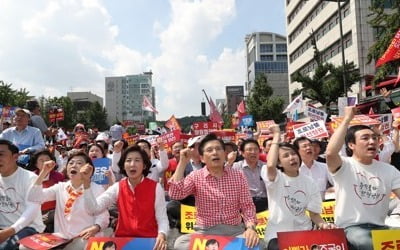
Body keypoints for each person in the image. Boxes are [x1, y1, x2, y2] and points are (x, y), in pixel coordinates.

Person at [325, 106, 400, 250]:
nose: (372, 142)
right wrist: (347, 119)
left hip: (380, 228)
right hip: (351, 229)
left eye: (374, 138)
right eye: (365, 138)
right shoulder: (344, 165)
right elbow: (330, 152)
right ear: (351, 145)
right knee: (369, 243)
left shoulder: (389, 170)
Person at [169, 133, 259, 250]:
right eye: (209, 150)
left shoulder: (238, 175)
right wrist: (182, 163)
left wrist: (251, 229)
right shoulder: (195, 176)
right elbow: (175, 194)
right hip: (205, 233)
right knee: (180, 244)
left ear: (224, 154)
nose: (215, 153)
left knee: (256, 244)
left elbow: (247, 206)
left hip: (234, 232)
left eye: (218, 149)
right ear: (202, 158)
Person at [80, 145, 169, 250]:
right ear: (123, 165)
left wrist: (162, 234)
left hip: (149, 241)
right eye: (128, 160)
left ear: (144, 165)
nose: (132, 164)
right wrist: (86, 182)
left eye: (137, 160)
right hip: (122, 241)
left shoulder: (155, 187)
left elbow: (162, 217)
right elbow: (93, 208)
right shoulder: (117, 187)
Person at [264, 125, 336, 250]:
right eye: (286, 156)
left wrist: (324, 225)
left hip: (304, 233)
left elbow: (314, 214)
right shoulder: (275, 178)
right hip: (277, 235)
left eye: (293, 154)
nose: (292, 157)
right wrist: (276, 135)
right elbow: (270, 165)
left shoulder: (309, 182)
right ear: (279, 162)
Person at [27, 151, 109, 250]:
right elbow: (33, 197)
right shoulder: (60, 187)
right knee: (25, 247)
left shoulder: (97, 188)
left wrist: (96, 227)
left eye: (79, 163)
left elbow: (103, 216)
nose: (74, 165)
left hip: (85, 236)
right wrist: (43, 172)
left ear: (89, 169)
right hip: (61, 237)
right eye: (70, 163)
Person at [0, 139, 45, 249]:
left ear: (15, 157)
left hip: (28, 227)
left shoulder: (30, 178)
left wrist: (10, 231)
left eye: (1, 154)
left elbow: (32, 210)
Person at [28, 150, 65, 233]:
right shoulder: (30, 176)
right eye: (41, 160)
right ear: (36, 164)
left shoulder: (59, 176)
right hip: (36, 214)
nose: (45, 162)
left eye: (47, 159)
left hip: (55, 212)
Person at [232, 138, 268, 212]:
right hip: (245, 204)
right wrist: (229, 162)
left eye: (256, 149)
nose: (253, 152)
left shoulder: (265, 166)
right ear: (242, 153)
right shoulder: (236, 167)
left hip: (264, 203)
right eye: (249, 149)